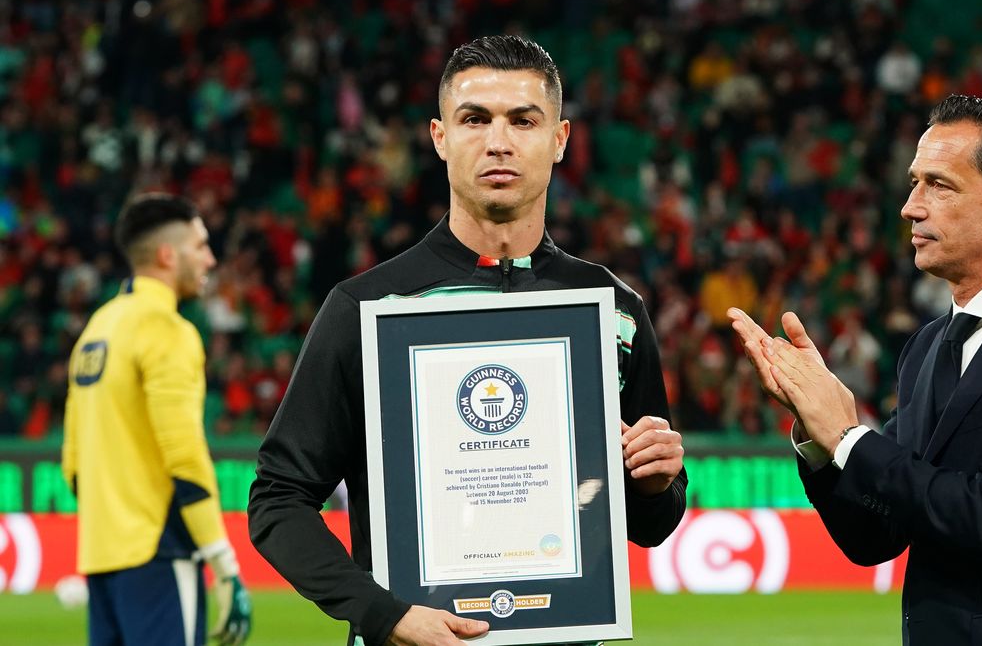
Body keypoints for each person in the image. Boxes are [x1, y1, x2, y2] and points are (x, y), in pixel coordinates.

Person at [248, 35, 687, 646]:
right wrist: (383, 613)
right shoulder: (368, 308)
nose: (498, 141)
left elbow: (650, 525)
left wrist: (656, 481)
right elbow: (278, 500)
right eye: (474, 119)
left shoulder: (611, 312)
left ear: (559, 140)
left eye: (523, 121)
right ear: (439, 138)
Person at [729, 95, 982, 645]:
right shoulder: (929, 346)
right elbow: (877, 535)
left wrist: (849, 437)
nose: (910, 206)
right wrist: (817, 438)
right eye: (914, 182)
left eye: (939, 185)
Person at [62, 194, 251, 646]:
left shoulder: (97, 329)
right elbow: (183, 453)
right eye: (201, 245)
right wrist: (221, 560)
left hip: (101, 555)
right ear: (168, 255)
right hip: (159, 551)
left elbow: (73, 463)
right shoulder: (168, 330)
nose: (210, 258)